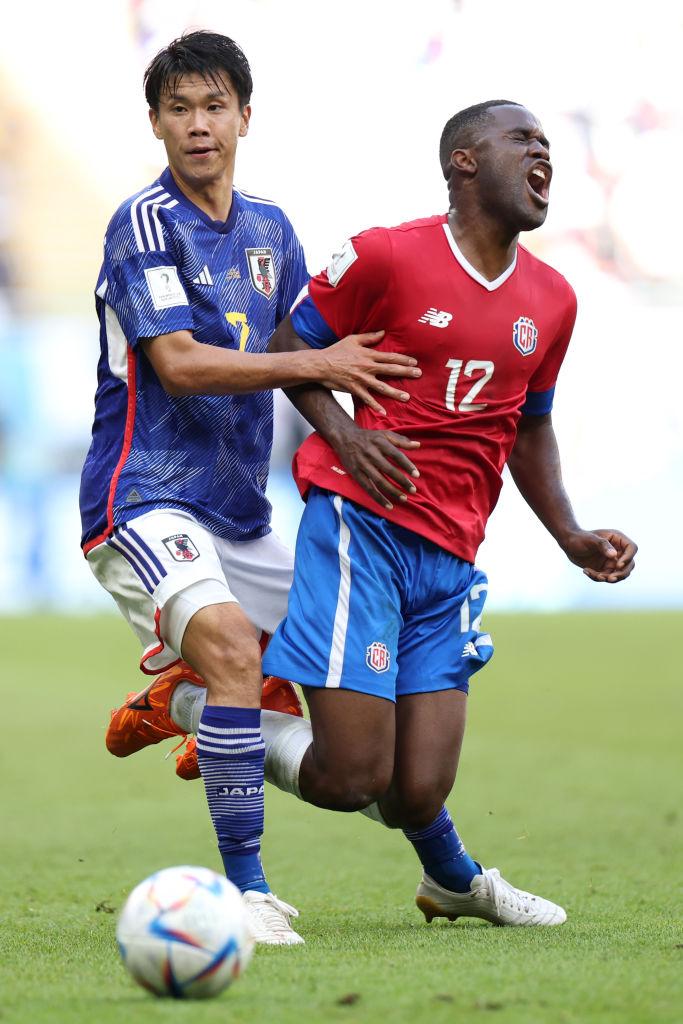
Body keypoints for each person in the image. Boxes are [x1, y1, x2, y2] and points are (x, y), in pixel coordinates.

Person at [247, 99, 635, 926]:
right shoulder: (386, 255)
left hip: (451, 556)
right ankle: (211, 713)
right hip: (360, 526)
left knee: (415, 790)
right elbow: (287, 348)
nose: (541, 154)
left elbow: (528, 428)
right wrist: (345, 436)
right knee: (350, 777)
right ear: (463, 160)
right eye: (520, 139)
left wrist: (569, 533)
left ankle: (450, 882)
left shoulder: (552, 299)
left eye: (546, 144)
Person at [79, 30, 419, 946]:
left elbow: (297, 352)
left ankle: (455, 871)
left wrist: (349, 437)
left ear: (244, 117)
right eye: (179, 109)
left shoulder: (271, 229)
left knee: (368, 719)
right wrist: (318, 361)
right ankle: (247, 891)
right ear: (155, 124)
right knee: (233, 648)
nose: (199, 125)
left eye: (214, 106)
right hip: (143, 498)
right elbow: (181, 364)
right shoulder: (142, 224)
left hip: (243, 515)